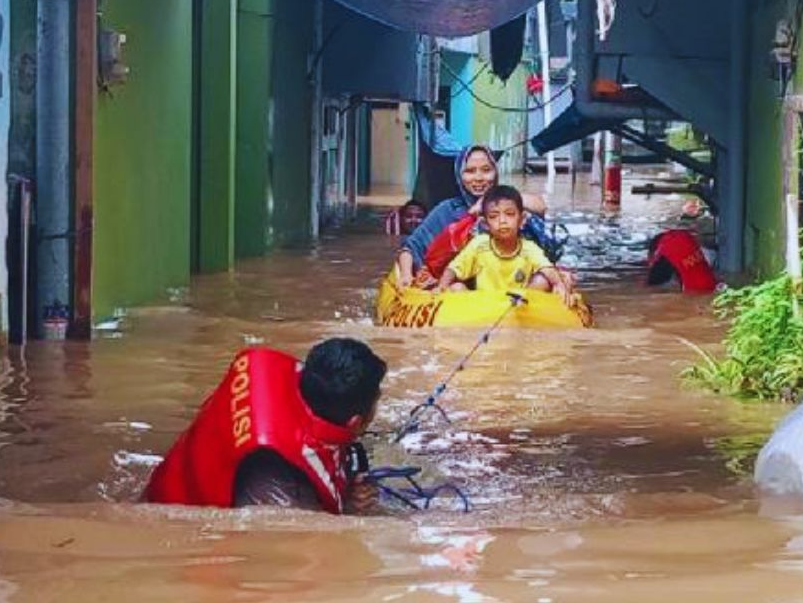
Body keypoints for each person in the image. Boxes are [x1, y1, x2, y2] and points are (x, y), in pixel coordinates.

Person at [142, 338, 387, 514]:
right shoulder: (283, 495)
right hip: (179, 523)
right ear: (355, 422)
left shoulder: (272, 375)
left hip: (167, 484)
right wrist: (352, 512)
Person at [396, 145, 552, 289]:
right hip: (462, 290)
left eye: (486, 170)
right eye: (470, 171)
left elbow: (540, 206)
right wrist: (406, 275)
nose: (479, 178)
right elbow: (410, 248)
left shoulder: (509, 203)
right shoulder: (448, 211)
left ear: (495, 172)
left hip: (515, 286)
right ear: (459, 175)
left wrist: (485, 202)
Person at [438, 185, 573, 306]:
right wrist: (441, 288)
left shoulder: (529, 248)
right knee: (457, 288)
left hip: (517, 305)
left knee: (542, 281)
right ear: (485, 224)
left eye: (509, 214)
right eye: (494, 216)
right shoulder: (479, 244)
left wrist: (559, 284)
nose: (502, 221)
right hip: (482, 305)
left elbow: (546, 268)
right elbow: (454, 269)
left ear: (521, 220)